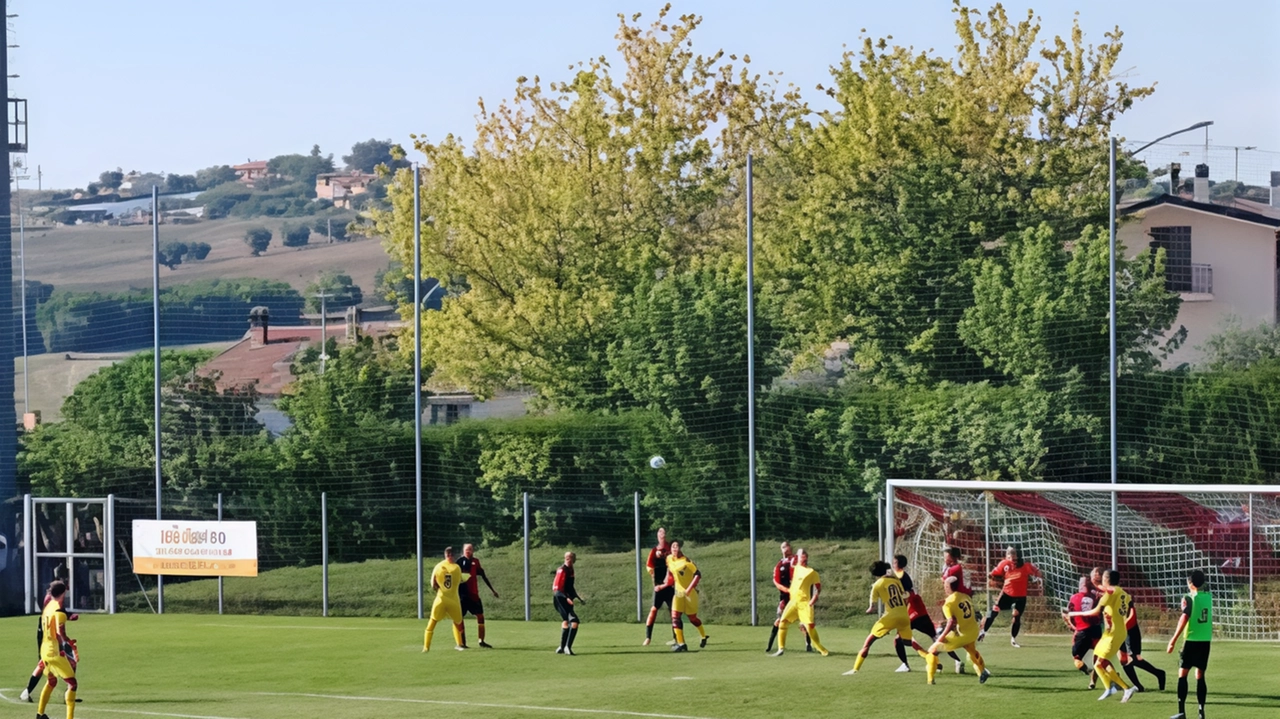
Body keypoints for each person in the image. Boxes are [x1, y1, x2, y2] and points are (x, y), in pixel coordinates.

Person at [1066, 568, 1137, 703]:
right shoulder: (1123, 593)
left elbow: (1094, 612)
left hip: (1113, 634)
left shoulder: (1109, 594)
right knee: (1098, 663)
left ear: (1106, 580)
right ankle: (1109, 688)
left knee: (1100, 662)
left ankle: (1126, 688)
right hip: (1114, 632)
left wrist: (1074, 614)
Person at [845, 560, 927, 675]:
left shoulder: (877, 584)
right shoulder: (895, 581)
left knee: (868, 643)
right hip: (904, 615)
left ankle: (855, 669)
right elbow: (905, 596)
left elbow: (872, 606)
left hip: (890, 617)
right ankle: (930, 658)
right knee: (908, 642)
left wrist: (870, 609)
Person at [893, 554, 964, 674]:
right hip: (920, 611)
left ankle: (907, 664)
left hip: (912, 612)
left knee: (898, 640)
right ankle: (957, 660)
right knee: (936, 639)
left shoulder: (900, 577)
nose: (893, 564)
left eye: (894, 562)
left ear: (898, 564)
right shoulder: (904, 576)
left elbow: (907, 595)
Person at [921, 574, 990, 685]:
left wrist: (941, 637)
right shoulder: (965, 596)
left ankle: (930, 679)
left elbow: (951, 622)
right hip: (973, 631)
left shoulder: (948, 604)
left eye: (945, 586)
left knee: (933, 651)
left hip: (962, 634)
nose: (944, 588)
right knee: (972, 651)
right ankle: (982, 672)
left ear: (948, 587)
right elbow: (963, 614)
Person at [21, 576, 80, 704]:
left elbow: (58, 614)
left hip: (51, 636)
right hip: (48, 637)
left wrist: (68, 616)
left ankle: (68, 693)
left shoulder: (53, 599)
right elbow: (56, 614)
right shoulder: (51, 600)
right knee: (43, 664)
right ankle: (28, 692)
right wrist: (69, 617)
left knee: (63, 663)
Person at [1167, 569, 1212, 719]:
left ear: (1190, 583)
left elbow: (1184, 617)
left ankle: (1181, 712)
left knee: (1182, 674)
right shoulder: (1208, 597)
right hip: (1205, 641)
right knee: (1200, 674)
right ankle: (1201, 712)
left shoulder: (1188, 598)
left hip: (1191, 640)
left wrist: (1173, 640)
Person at [769, 548, 828, 656]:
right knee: (782, 622)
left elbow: (818, 587)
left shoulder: (811, 572)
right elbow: (791, 563)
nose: (799, 557)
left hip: (805, 603)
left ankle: (821, 649)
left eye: (801, 555)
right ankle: (780, 649)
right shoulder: (796, 568)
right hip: (793, 602)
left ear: (805, 557)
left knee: (809, 626)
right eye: (798, 556)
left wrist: (814, 598)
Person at [980, 545, 1041, 647]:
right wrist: (993, 578)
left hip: (1021, 596)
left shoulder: (1026, 566)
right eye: (1009, 553)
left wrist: (1037, 576)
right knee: (995, 610)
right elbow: (992, 574)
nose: (1011, 556)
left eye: (1013, 553)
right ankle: (983, 631)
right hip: (1007, 594)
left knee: (1016, 616)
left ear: (1019, 554)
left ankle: (1013, 639)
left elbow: (1038, 573)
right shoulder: (1004, 564)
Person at [35, 580, 77, 719]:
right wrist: (69, 643)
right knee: (72, 683)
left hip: (45, 650)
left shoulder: (48, 606)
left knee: (51, 681)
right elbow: (60, 632)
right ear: (64, 593)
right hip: (54, 651)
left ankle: (40, 714)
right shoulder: (59, 609)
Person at [660, 540, 708, 652]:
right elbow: (668, 566)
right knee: (675, 617)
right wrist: (667, 581)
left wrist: (689, 589)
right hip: (678, 593)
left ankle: (703, 636)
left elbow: (698, 575)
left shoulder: (686, 561)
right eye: (673, 546)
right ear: (670, 548)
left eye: (677, 546)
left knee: (692, 619)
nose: (675, 548)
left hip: (690, 594)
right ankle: (682, 644)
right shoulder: (669, 559)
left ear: (680, 548)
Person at [765, 541, 811, 653]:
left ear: (790, 548)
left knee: (804, 622)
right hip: (785, 597)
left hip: (798, 596)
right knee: (779, 620)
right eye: (783, 547)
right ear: (781, 550)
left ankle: (808, 645)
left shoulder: (796, 559)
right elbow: (776, 581)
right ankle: (770, 645)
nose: (785, 548)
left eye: (786, 546)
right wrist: (786, 589)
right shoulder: (779, 565)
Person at [1118, 593, 1166, 692]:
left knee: (1132, 659)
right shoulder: (1110, 600)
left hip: (1130, 632)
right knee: (1124, 660)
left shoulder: (1125, 600)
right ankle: (1139, 685)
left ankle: (1158, 674)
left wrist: (1123, 626)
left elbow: (1132, 618)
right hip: (1119, 632)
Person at [423, 546, 467, 652]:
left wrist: (439, 587)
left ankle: (426, 647)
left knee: (432, 621)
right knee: (457, 622)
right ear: (454, 555)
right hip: (453, 600)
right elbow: (461, 580)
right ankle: (459, 644)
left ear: (445, 555)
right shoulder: (457, 568)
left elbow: (433, 584)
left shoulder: (438, 566)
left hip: (441, 598)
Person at [1062, 575, 1102, 688]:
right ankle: (1093, 681)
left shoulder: (1073, 598)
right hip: (1095, 630)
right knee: (1100, 658)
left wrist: (1070, 625)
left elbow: (1065, 613)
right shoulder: (1096, 596)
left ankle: (1088, 671)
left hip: (1081, 632)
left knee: (1077, 658)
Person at [457, 543, 498, 649]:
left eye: (470, 549)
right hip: (462, 596)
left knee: (480, 616)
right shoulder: (459, 562)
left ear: (473, 550)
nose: (468, 551)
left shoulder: (476, 562)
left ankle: (481, 641)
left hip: (474, 595)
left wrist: (492, 590)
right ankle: (462, 643)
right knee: (460, 618)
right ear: (463, 550)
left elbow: (483, 576)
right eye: (466, 549)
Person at [643, 528, 674, 646]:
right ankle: (648, 637)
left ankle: (676, 638)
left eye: (664, 532)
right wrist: (654, 582)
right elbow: (649, 567)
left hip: (670, 586)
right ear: (657, 535)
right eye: (660, 532)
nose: (662, 534)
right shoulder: (654, 551)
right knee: (654, 609)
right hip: (659, 586)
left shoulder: (671, 549)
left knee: (674, 612)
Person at [553, 551, 585, 655]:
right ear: (564, 558)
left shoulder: (570, 570)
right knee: (574, 621)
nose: (569, 559)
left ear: (574, 560)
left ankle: (562, 647)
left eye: (571, 557)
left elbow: (570, 587)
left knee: (566, 621)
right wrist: (566, 598)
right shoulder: (562, 570)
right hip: (560, 598)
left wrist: (577, 597)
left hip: (565, 598)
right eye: (567, 557)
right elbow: (556, 588)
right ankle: (567, 647)